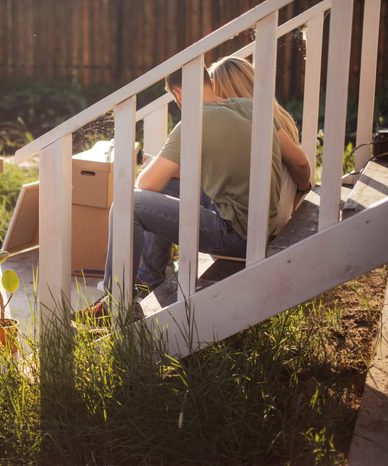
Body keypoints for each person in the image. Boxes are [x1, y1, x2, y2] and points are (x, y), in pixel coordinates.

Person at [99, 66, 283, 310]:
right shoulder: (250, 107)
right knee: (168, 184)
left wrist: (157, 167)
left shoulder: (194, 122)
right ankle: (148, 280)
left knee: (129, 203)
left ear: (179, 94)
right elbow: (299, 162)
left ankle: (114, 305)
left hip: (236, 235)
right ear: (211, 84)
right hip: (261, 224)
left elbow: (145, 184)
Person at [208, 56, 312, 234]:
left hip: (257, 222)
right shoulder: (278, 116)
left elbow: (300, 162)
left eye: (214, 92)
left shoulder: (251, 122)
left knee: (162, 190)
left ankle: (153, 262)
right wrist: (301, 190)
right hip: (279, 213)